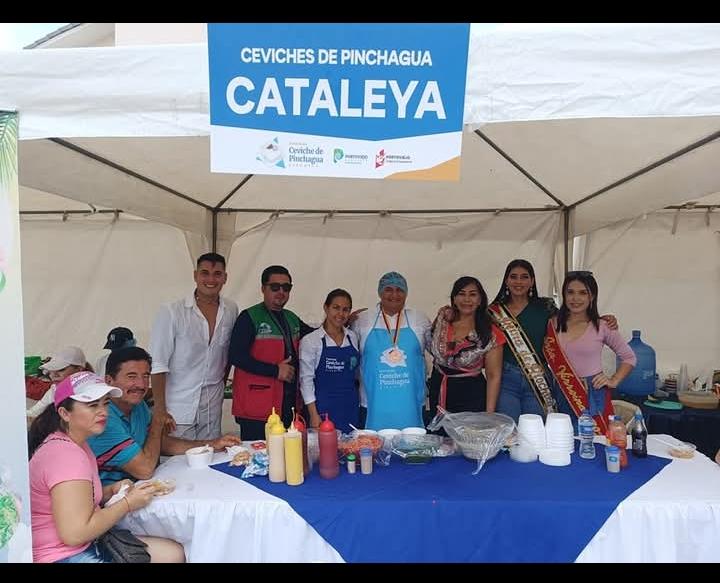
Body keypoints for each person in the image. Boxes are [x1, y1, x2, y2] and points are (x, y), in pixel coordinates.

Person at [28, 371, 185, 563]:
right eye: (93, 405)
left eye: (106, 403)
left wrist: (109, 491)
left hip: (82, 544)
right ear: (65, 413)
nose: (103, 411)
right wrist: (127, 504)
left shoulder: (75, 443)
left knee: (172, 553)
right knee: (171, 553)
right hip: (62, 555)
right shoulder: (65, 455)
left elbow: (73, 498)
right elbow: (74, 534)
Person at [87, 347, 241, 484]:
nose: (141, 384)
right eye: (131, 376)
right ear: (109, 380)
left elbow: (161, 443)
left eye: (145, 376)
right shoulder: (103, 418)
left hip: (137, 488)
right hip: (109, 499)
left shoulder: (137, 405)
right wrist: (158, 419)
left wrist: (212, 444)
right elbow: (145, 470)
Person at [489, 259, 618, 423]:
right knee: (508, 428)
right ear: (506, 281)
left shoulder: (546, 307)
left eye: (524, 277)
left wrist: (601, 319)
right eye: (513, 277)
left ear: (532, 281)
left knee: (537, 429)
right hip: (506, 380)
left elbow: (573, 318)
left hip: (538, 380)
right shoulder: (493, 312)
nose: (519, 282)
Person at [149, 252, 238, 440]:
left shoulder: (231, 310)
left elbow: (228, 355)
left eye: (217, 274)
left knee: (210, 454)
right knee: (176, 456)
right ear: (195, 275)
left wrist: (221, 387)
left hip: (212, 405)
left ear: (225, 278)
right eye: (205, 273)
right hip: (177, 406)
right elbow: (158, 364)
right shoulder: (172, 312)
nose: (211, 280)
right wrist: (160, 410)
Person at [228, 265, 315, 440]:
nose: (281, 292)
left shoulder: (291, 318)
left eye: (286, 287)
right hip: (257, 409)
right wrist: (275, 370)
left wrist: (342, 321)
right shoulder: (249, 317)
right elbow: (236, 356)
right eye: (275, 287)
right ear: (263, 288)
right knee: (259, 455)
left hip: (288, 406)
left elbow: (317, 335)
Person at [546, 271, 636, 432]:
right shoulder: (552, 324)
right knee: (563, 438)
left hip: (592, 393)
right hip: (560, 390)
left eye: (583, 293)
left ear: (592, 296)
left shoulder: (603, 326)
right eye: (570, 292)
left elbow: (629, 357)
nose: (575, 298)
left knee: (594, 439)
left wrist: (614, 380)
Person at [351, 271, 431, 430]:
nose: (394, 295)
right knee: (373, 444)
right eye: (388, 289)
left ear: (406, 293)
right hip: (372, 404)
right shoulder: (362, 320)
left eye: (399, 290)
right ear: (380, 292)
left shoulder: (419, 319)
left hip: (412, 403)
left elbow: (437, 349)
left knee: (412, 443)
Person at [428, 276, 505, 417]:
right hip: (438, 388)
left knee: (467, 431)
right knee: (437, 430)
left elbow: (493, 376)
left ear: (480, 300)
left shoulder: (491, 334)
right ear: (454, 298)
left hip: (470, 396)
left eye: (473, 294)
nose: (467, 299)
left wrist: (489, 414)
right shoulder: (443, 318)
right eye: (461, 294)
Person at [299, 289, 361, 432]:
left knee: (352, 445)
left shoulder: (353, 337)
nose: (340, 314)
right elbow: (306, 380)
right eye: (336, 308)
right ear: (326, 308)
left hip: (350, 408)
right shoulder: (311, 341)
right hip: (323, 410)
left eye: (345, 309)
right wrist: (313, 414)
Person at [26, 346, 93, 419]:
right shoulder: (54, 389)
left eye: (61, 370)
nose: (53, 375)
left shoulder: (94, 390)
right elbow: (34, 413)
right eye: (51, 370)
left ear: (79, 369)